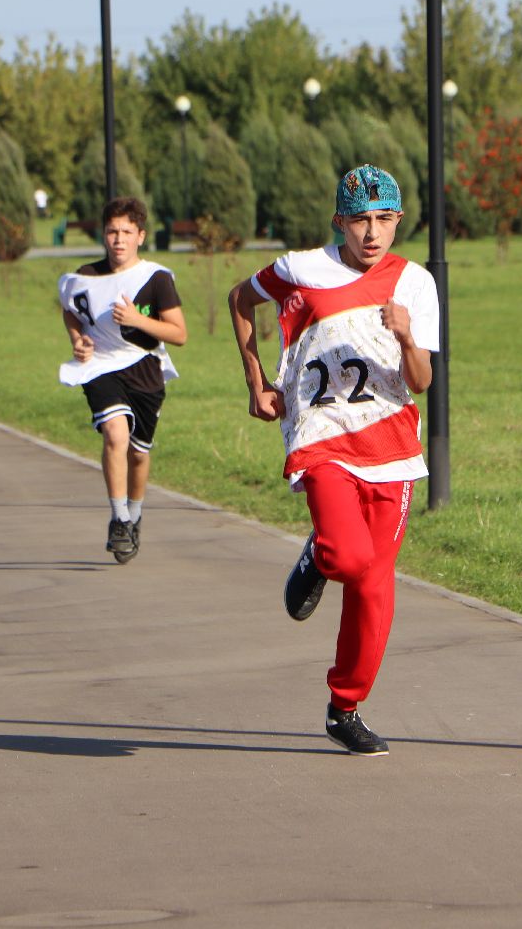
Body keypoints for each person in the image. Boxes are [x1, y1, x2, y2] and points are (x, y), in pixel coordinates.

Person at [226, 164, 439, 757]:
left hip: (392, 448)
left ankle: (344, 708)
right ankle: (319, 559)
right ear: (339, 221)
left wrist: (407, 337)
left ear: (399, 220)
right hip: (321, 435)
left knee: (373, 586)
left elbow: (420, 382)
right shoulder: (301, 268)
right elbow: (240, 300)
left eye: (384, 220)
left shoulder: (415, 283)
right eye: (360, 220)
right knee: (346, 555)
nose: (372, 233)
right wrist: (256, 381)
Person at [58, 197, 187, 564]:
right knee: (115, 433)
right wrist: (78, 340)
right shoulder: (85, 276)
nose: (118, 239)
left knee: (138, 453)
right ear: (103, 235)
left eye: (127, 232)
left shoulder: (156, 279)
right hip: (101, 367)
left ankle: (134, 514)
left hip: (145, 368)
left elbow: (178, 334)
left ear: (140, 236)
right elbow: (70, 310)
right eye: (112, 231)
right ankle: (118, 519)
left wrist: (136, 319)